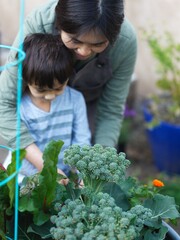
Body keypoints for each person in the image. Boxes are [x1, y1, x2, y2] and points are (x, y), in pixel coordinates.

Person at [0, 0, 137, 165]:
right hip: (35, 120)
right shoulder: (38, 23)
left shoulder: (125, 41)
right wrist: (46, 167)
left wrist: (95, 169)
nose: (84, 51)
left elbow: (110, 110)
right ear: (59, 23)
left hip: (87, 112)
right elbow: (4, 102)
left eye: (98, 44)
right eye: (75, 40)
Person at [3, 33, 91, 182]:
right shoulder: (19, 107)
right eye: (40, 90)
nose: (50, 96)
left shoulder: (75, 100)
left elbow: (82, 142)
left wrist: (84, 175)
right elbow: (21, 155)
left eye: (58, 88)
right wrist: (49, 177)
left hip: (61, 177)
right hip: (23, 179)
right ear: (26, 80)